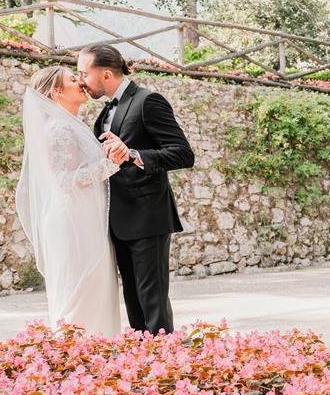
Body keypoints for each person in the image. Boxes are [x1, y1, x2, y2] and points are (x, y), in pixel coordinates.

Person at [77, 44, 195, 335]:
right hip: (117, 221)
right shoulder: (104, 111)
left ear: (105, 74)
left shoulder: (147, 101)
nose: (80, 80)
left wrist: (132, 153)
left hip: (147, 217)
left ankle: (164, 365)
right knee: (132, 300)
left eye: (83, 73)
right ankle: (142, 364)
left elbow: (183, 153)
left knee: (152, 300)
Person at [15, 66, 126, 337]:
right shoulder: (59, 129)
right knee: (82, 290)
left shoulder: (72, 124)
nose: (81, 83)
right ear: (56, 92)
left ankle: (96, 357)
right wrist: (110, 165)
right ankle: (77, 357)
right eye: (73, 80)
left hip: (85, 219)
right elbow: (64, 180)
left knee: (95, 288)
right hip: (73, 224)